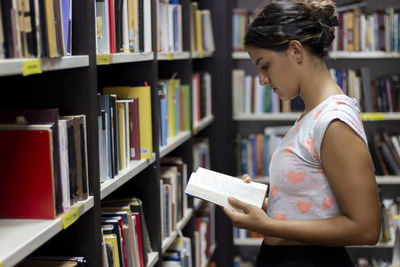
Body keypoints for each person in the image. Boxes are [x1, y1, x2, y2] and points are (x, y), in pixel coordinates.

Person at [223, 0, 381, 266]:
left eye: (265, 65)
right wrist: (271, 204)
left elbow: (366, 229)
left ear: (295, 50)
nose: (262, 79)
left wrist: (270, 225)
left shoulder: (334, 121)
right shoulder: (313, 113)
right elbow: (315, 199)